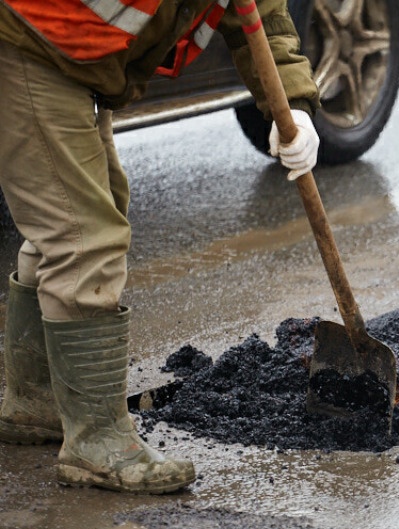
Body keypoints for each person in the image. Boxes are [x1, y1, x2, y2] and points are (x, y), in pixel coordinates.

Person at [0, 0, 320, 493]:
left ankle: (38, 403)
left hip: (80, 56)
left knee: (84, 211)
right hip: (30, 39)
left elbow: (257, 13)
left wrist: (292, 104)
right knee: (83, 237)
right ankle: (97, 441)